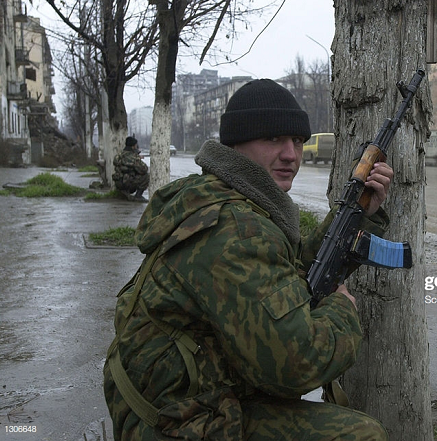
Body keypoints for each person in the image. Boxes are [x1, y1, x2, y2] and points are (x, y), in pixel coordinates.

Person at [104, 79, 394, 440]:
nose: (291, 154)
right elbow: (295, 366)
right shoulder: (236, 228)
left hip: (175, 402)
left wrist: (358, 215)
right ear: (235, 144)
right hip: (175, 422)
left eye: (298, 142)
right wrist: (342, 309)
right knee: (361, 435)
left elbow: (280, 273)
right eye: (273, 139)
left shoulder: (215, 196)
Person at [112, 136, 150, 202]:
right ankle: (138, 196)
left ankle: (124, 193)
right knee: (146, 176)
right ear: (133, 146)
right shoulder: (133, 157)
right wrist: (137, 158)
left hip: (118, 182)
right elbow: (144, 169)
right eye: (135, 145)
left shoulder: (119, 155)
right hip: (128, 183)